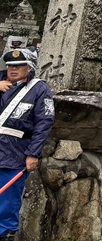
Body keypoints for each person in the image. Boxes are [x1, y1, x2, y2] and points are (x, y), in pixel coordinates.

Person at [0, 48, 54, 240]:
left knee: (6, 201)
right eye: (10, 66)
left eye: (19, 65)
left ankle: (5, 235)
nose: (13, 69)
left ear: (29, 67)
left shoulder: (39, 89)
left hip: (15, 152)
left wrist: (33, 153)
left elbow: (44, 123)